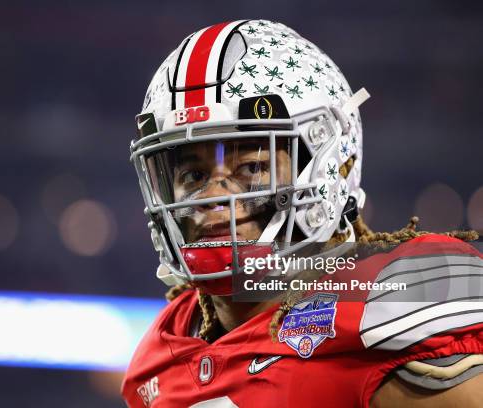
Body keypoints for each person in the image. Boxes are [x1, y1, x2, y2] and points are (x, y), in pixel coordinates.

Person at [122, 19, 483, 407]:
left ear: (328, 166)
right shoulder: (162, 352)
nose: (211, 195)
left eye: (251, 167)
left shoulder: (380, 316)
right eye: (193, 174)